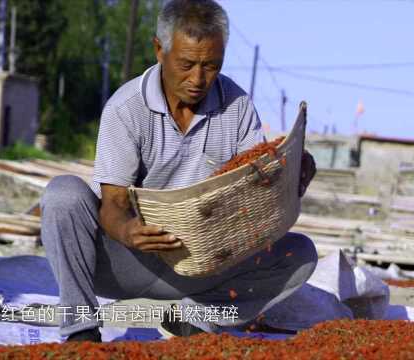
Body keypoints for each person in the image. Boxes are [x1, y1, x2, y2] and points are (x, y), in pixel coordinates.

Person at [41, 0, 317, 342]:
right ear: (159, 50)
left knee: (300, 253)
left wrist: (293, 173)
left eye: (211, 65)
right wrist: (128, 231)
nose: (199, 79)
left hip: (206, 262)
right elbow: (112, 202)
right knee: (63, 194)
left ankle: (194, 320)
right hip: (129, 260)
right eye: (186, 64)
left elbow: (254, 183)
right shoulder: (126, 108)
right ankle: (80, 329)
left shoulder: (237, 106)